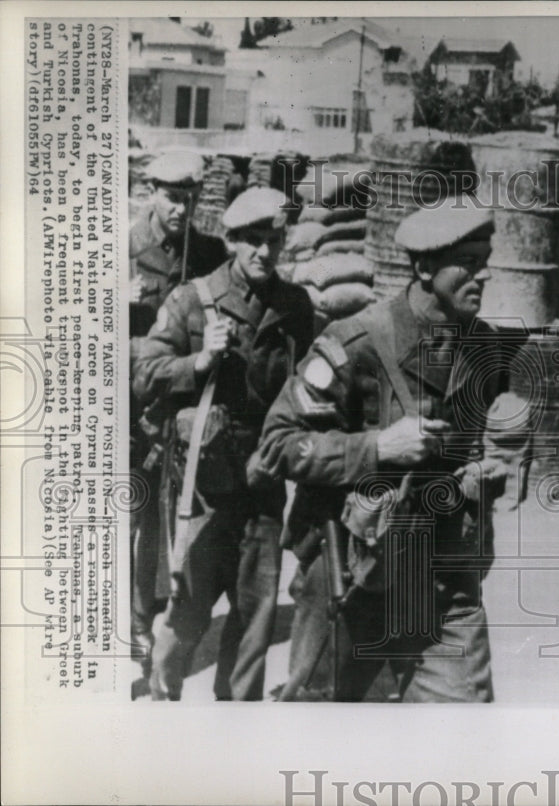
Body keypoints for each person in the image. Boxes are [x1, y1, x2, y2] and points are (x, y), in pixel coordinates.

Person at [252, 201, 521, 702]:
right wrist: (378, 447)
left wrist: (489, 467)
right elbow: (279, 443)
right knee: (330, 727)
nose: (481, 274)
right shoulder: (356, 341)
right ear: (423, 267)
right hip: (354, 575)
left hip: (443, 575)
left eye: (485, 259)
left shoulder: (484, 348)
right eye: (467, 261)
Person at [133, 187, 313, 700]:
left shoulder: (295, 305)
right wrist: (198, 363)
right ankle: (162, 696)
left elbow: (304, 380)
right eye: (252, 240)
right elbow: (144, 372)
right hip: (204, 485)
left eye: (273, 240)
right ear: (232, 241)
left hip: (264, 478)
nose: (264, 252)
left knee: (255, 614)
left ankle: (235, 723)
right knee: (188, 608)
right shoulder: (193, 299)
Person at [129, 152, 227, 674]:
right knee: (132, 519)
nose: (181, 208)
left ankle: (166, 620)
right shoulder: (123, 250)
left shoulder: (208, 253)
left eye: (190, 198)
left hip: (184, 406)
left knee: (177, 521)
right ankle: (136, 624)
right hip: (130, 405)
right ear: (152, 191)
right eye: (171, 196)